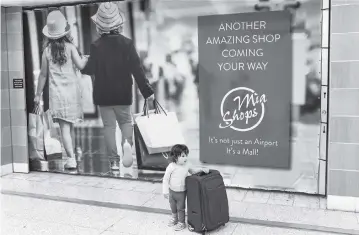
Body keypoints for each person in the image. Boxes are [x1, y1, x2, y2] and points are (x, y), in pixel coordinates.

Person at [81, 2, 155, 171]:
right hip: (123, 93)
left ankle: (114, 161)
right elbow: (137, 69)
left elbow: (90, 69)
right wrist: (147, 91)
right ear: (119, 24)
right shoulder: (127, 44)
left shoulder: (96, 46)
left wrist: (84, 62)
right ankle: (127, 145)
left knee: (109, 127)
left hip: (103, 94)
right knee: (126, 122)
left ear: (100, 26)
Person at [34, 10, 88, 169]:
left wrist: (38, 94)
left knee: (64, 127)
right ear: (65, 31)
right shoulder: (70, 47)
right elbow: (81, 66)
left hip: (57, 95)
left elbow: (43, 75)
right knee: (70, 126)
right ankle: (72, 156)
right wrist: (85, 58)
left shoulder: (47, 51)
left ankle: (71, 157)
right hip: (72, 94)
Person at [162, 144, 209, 231]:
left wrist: (202, 169)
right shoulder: (171, 167)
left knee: (181, 208)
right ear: (175, 157)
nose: (185, 158)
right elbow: (165, 179)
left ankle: (181, 222)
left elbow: (193, 171)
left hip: (182, 192)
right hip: (172, 191)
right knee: (173, 206)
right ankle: (174, 219)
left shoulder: (187, 165)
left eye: (186, 155)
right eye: (183, 156)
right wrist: (165, 191)